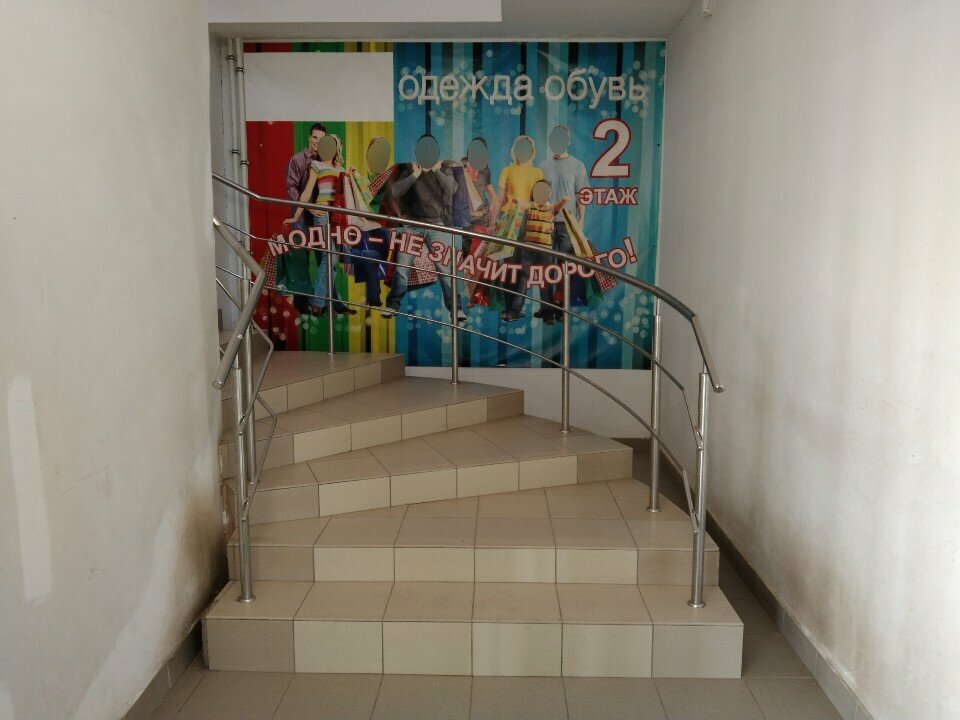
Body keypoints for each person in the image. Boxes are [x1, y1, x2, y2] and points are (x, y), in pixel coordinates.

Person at [382, 134, 465, 322]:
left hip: (436, 225)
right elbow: (396, 191)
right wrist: (415, 174)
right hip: (413, 225)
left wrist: (435, 170)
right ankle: (392, 305)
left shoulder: (444, 167)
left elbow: (451, 188)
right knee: (402, 267)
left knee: (445, 270)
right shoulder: (410, 168)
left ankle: (456, 309)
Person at [283, 134, 356, 316]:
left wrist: (351, 176)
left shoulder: (341, 169)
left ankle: (324, 302)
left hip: (337, 218)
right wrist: (296, 216)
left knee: (333, 261)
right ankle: (317, 302)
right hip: (322, 215)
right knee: (328, 258)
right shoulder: (316, 165)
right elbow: (306, 193)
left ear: (336, 148)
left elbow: (348, 196)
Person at [488, 135, 544, 319]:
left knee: (525, 266)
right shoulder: (507, 170)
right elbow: (499, 199)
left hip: (529, 220)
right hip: (508, 220)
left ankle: (516, 307)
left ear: (532, 151)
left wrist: (529, 206)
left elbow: (541, 201)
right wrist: (493, 222)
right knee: (508, 265)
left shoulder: (537, 173)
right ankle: (509, 306)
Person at [539, 124, 589, 320]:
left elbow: (582, 196)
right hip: (545, 223)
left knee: (564, 266)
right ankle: (546, 309)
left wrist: (581, 221)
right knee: (545, 266)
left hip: (568, 224)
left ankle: (561, 308)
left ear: (568, 141)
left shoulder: (578, 166)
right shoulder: (543, 166)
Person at [505, 180, 568, 322]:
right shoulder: (531, 205)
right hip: (530, 249)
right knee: (525, 278)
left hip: (545, 251)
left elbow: (557, 206)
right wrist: (516, 201)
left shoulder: (550, 208)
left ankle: (547, 313)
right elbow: (523, 204)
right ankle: (515, 310)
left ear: (549, 194)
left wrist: (563, 202)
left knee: (544, 280)